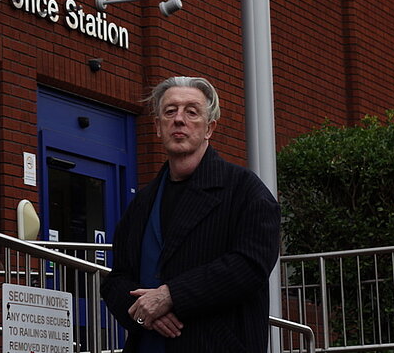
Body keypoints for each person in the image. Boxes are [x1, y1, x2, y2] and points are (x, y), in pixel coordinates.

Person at [101, 76, 281, 352]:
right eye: (170, 111)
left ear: (210, 128)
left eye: (191, 112)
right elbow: (117, 280)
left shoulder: (244, 191)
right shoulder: (142, 202)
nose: (179, 119)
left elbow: (249, 266)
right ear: (158, 127)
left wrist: (171, 295)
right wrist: (144, 314)